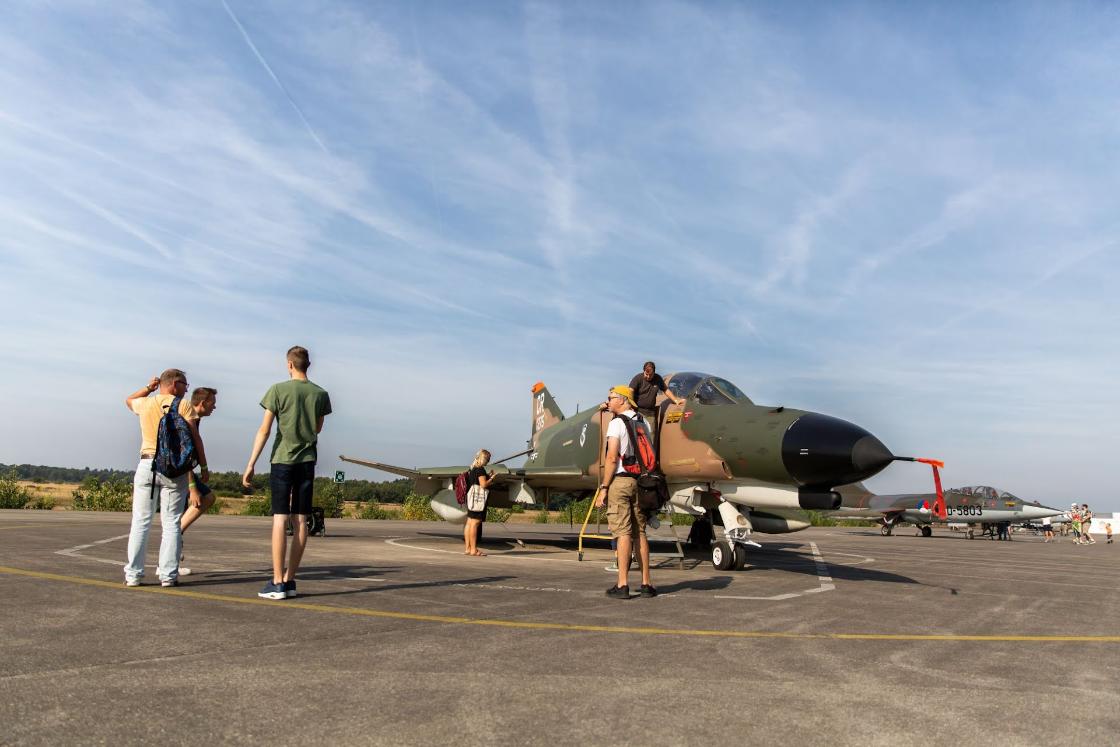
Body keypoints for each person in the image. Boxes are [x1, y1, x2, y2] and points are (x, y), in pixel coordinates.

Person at [242, 346, 332, 600]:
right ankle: (291, 579)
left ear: (290, 364)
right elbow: (317, 428)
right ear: (308, 365)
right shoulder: (320, 394)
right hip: (307, 460)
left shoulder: (278, 390)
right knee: (301, 520)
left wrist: (251, 463)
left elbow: (265, 430)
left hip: (282, 460)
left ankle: (277, 580)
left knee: (280, 518)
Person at [123, 369, 208, 587]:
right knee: (170, 523)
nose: (186, 389)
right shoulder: (183, 405)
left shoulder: (146, 404)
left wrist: (148, 388)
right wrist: (204, 466)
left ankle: (133, 574)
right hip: (174, 469)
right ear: (174, 384)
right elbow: (194, 437)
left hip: (147, 464)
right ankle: (168, 575)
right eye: (184, 385)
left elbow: (129, 400)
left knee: (141, 522)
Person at [594, 385, 656, 599]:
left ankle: (622, 585)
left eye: (610, 397)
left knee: (623, 533)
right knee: (640, 532)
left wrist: (603, 488)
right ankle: (647, 583)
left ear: (622, 400)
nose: (608, 401)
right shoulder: (643, 422)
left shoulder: (616, 424)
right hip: (641, 482)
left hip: (620, 482)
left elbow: (612, 458)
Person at [178, 387, 218, 575]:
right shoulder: (188, 420)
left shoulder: (195, 419)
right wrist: (193, 487)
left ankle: (175, 542)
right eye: (212, 403)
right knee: (205, 498)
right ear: (202, 403)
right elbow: (183, 455)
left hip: (184, 471)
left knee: (207, 498)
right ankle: (175, 537)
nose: (215, 407)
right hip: (179, 472)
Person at [463, 450, 494, 556]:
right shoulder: (480, 470)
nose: (488, 461)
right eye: (488, 459)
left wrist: (487, 476)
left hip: (471, 498)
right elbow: (483, 485)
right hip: (478, 500)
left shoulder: (473, 469)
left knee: (469, 523)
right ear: (483, 458)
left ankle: (468, 548)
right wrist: (492, 479)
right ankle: (474, 550)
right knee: (475, 523)